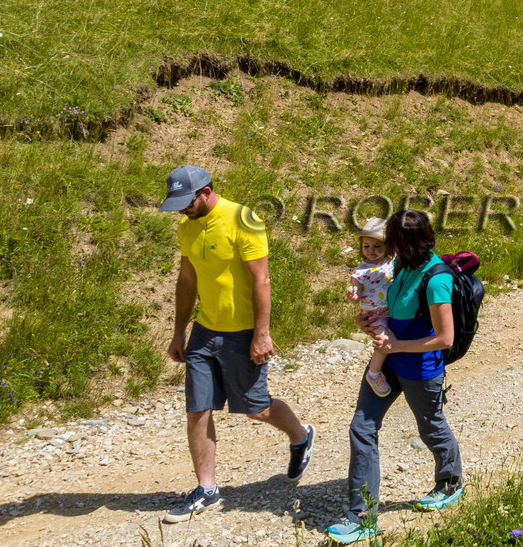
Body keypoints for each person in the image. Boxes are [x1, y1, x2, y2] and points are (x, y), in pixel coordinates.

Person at [160, 165, 314, 523]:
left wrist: (262, 333)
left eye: (187, 202)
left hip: (243, 332)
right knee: (198, 409)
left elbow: (261, 280)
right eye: (177, 203)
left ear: (206, 191)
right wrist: (179, 331)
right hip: (204, 330)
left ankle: (300, 435)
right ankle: (207, 489)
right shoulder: (186, 227)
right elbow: (187, 281)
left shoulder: (242, 219)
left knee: (255, 408)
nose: (182, 209)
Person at [329, 210, 464, 544]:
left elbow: (445, 338)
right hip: (388, 360)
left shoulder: (436, 279)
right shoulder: (401, 266)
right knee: (362, 427)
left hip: (420, 368)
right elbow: (385, 307)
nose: (388, 249)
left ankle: (450, 483)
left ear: (412, 242)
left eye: (395, 243)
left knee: (430, 424)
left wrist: (399, 344)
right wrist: (366, 323)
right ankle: (362, 516)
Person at [349, 219, 395, 398]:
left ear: (387, 246)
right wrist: (353, 295)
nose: (371, 250)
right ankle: (373, 373)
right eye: (366, 246)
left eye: (377, 246)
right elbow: (355, 291)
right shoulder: (360, 271)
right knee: (383, 340)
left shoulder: (390, 262)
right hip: (374, 313)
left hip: (389, 309)